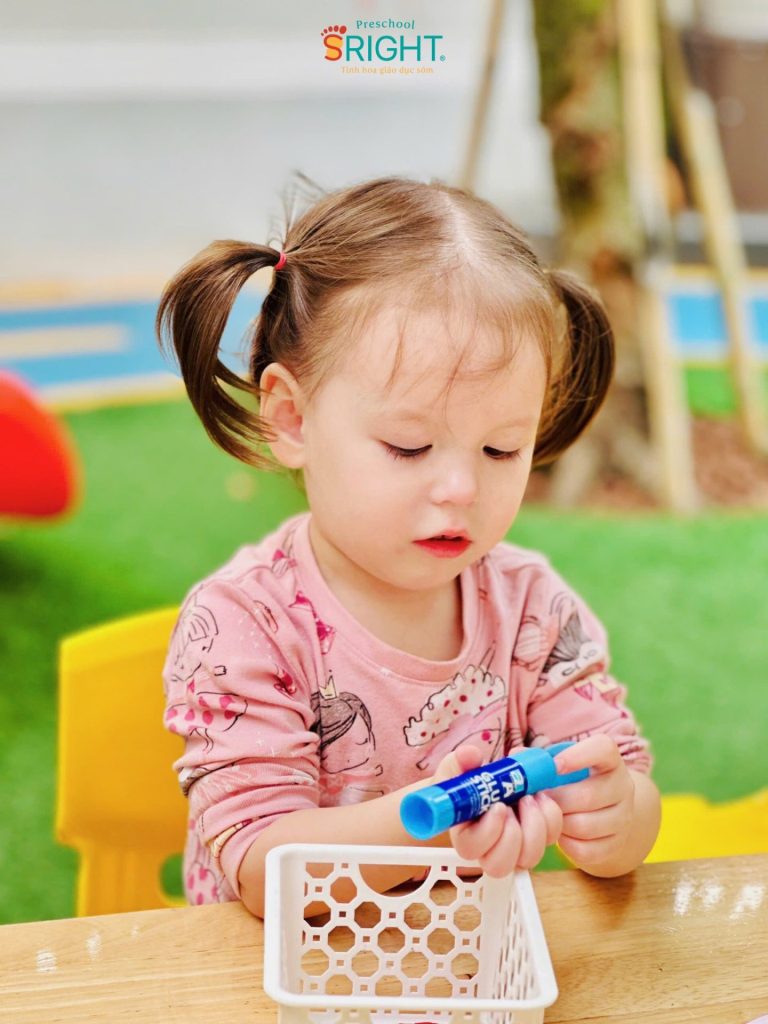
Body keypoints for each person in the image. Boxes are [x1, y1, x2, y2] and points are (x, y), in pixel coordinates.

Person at [157, 176, 661, 916]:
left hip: (468, 963)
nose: (460, 488)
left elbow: (624, 782)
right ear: (292, 418)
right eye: (409, 445)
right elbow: (266, 873)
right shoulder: (245, 622)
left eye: (501, 449)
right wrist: (443, 816)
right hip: (279, 970)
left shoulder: (531, 608)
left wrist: (616, 816)